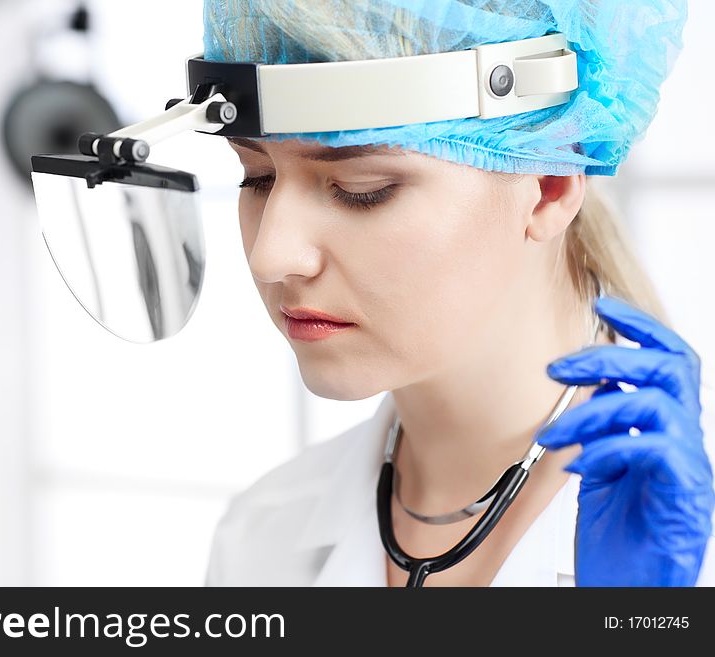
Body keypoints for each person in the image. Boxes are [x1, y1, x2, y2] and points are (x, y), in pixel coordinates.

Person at [201, 0, 715, 586]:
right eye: (257, 177)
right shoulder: (259, 541)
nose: (272, 255)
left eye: (359, 189)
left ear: (547, 186)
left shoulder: (687, 534)